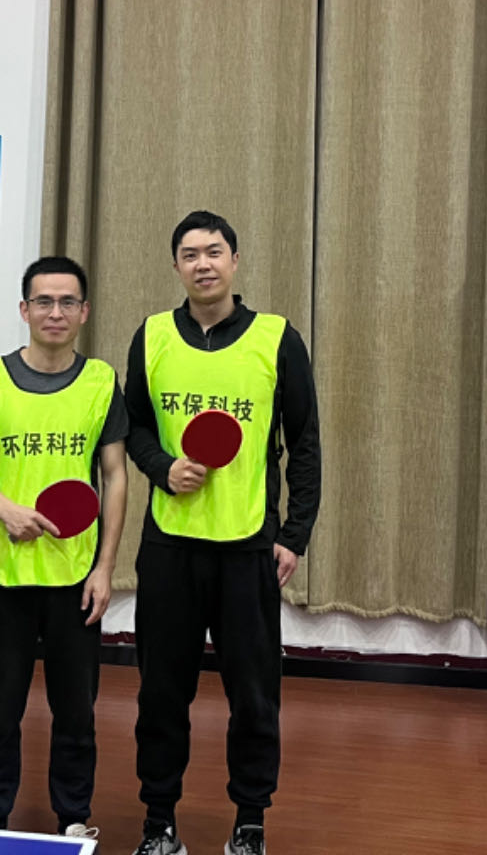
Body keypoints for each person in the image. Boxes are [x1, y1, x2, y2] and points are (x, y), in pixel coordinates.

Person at [124, 212, 322, 855]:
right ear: (176, 266)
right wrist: (162, 467)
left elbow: (304, 443)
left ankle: (250, 823)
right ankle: (159, 824)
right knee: (161, 693)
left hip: (248, 547)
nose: (202, 264)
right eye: (190, 254)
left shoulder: (277, 339)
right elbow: (135, 427)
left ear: (235, 261)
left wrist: (294, 534)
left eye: (214, 252)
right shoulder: (152, 336)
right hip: (169, 544)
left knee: (255, 696)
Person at [0, 254, 129, 839]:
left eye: (67, 302)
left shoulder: (101, 382)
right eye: (44, 301)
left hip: (76, 573)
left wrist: (105, 568)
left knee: (76, 708)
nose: (56, 312)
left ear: (84, 312)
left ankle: (74, 816)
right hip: (6, 570)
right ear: (24, 310)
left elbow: (115, 476)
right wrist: (5, 509)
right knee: (0, 705)